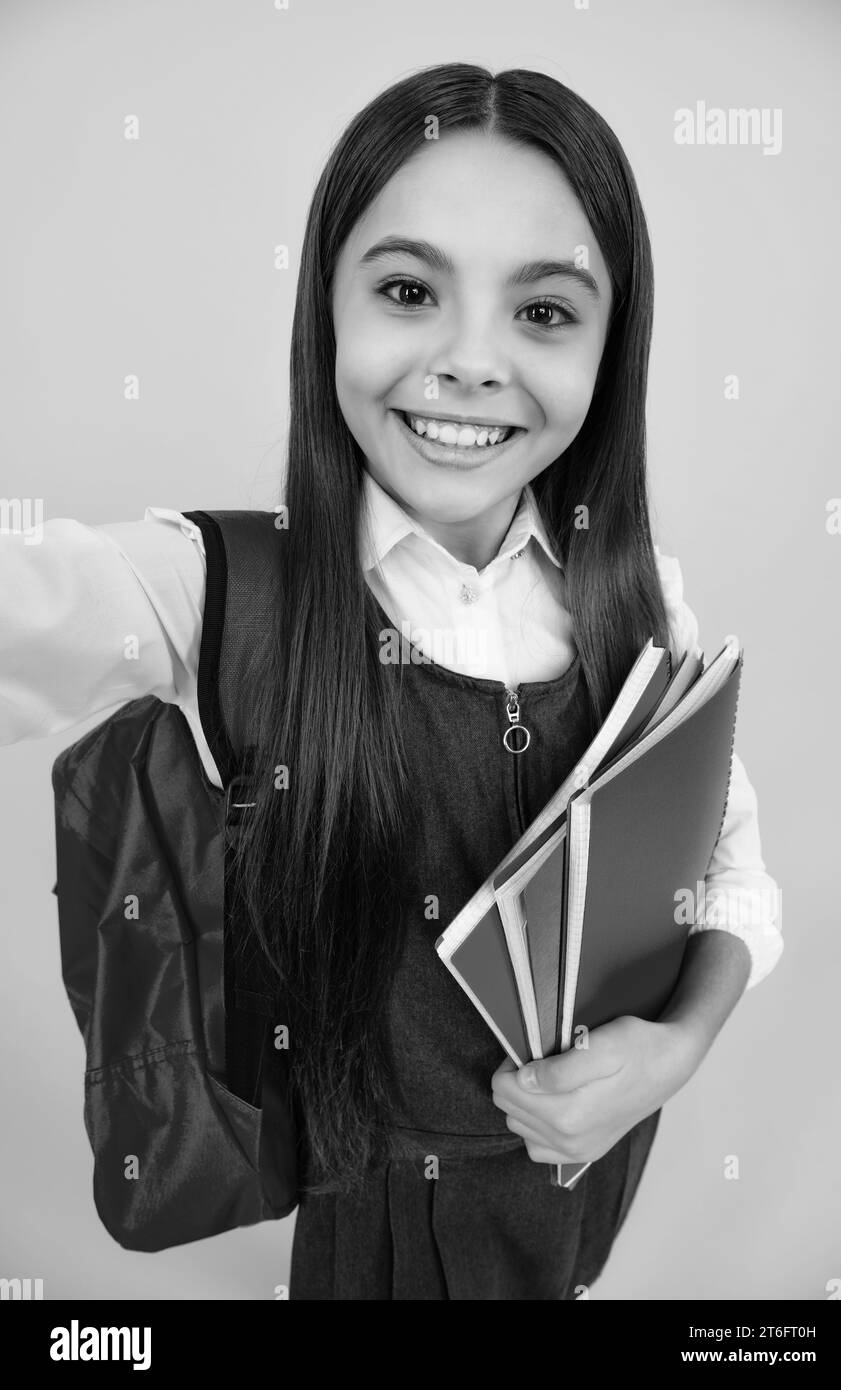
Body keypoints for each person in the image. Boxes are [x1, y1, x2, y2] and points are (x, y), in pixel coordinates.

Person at [0, 63, 782, 1300]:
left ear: (610, 346)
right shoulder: (220, 590)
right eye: (409, 291)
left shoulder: (639, 604)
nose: (469, 362)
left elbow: (729, 871)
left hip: (571, 1220)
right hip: (367, 1243)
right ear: (326, 304)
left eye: (543, 311)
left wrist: (671, 1052)